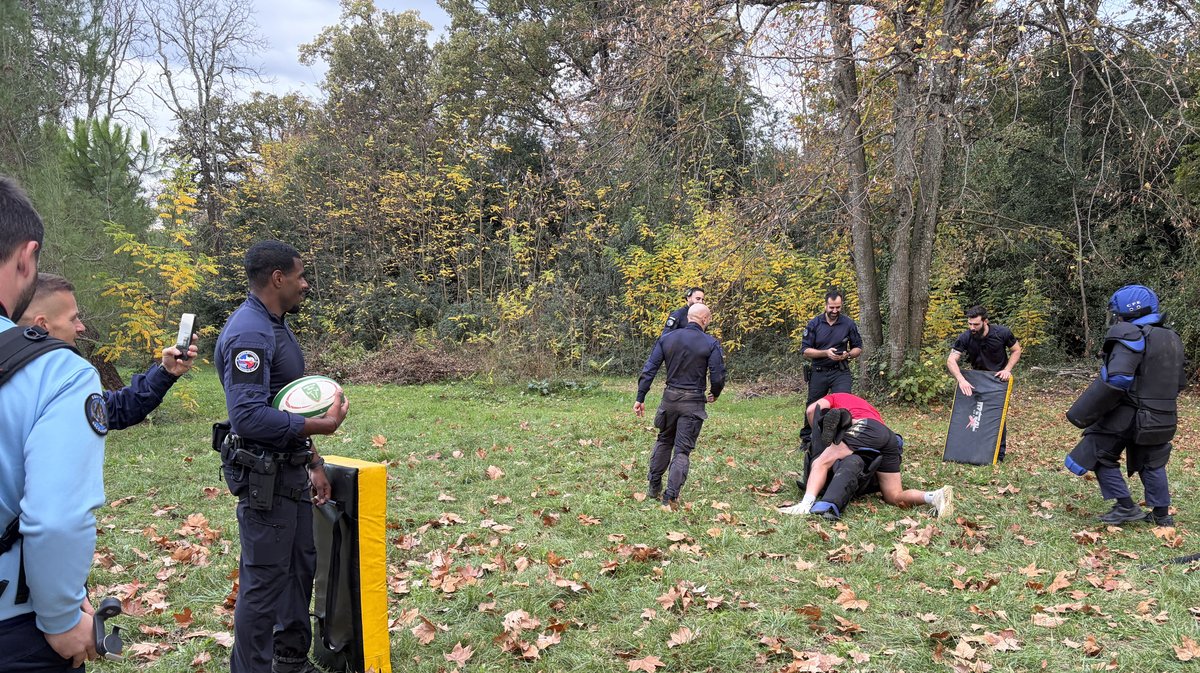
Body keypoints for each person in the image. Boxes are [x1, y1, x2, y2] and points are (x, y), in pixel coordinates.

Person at [214, 241, 349, 673]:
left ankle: (290, 660)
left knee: (297, 571)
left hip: (290, 473)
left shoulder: (276, 324)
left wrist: (312, 460)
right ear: (278, 278)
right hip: (263, 483)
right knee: (263, 584)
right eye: (300, 275)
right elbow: (249, 416)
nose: (305, 284)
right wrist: (319, 427)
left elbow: (286, 406)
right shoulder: (249, 333)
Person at [0, 176, 106, 671]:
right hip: (13, 626)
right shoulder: (56, 371)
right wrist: (63, 619)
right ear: (26, 257)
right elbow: (55, 517)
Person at [1064, 285, 1185, 526]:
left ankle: (1126, 507)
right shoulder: (1172, 337)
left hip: (1130, 414)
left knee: (1097, 453)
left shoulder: (1130, 334)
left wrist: (1090, 410)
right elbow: (1179, 383)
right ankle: (1161, 516)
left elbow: (1119, 378)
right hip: (1163, 416)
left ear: (1128, 312)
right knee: (1152, 462)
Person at [17, 273, 199, 430]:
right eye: (73, 319)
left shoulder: (58, 381)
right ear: (42, 325)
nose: (81, 327)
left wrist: (166, 372)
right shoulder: (29, 386)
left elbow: (113, 409)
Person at [779, 393, 954, 519]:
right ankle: (934, 497)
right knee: (893, 496)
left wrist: (818, 437)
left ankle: (805, 505)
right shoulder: (867, 406)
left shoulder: (834, 397)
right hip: (888, 436)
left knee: (821, 462)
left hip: (863, 426)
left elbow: (812, 410)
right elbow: (875, 433)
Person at [635, 303, 726, 510]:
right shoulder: (710, 343)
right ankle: (671, 496)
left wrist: (640, 397)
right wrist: (715, 391)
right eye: (709, 320)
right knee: (682, 451)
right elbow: (718, 374)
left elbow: (649, 369)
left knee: (664, 440)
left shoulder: (667, 338)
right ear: (705, 320)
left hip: (669, 399)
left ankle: (653, 485)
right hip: (693, 402)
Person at [946, 306, 1022, 460]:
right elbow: (951, 360)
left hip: (998, 380)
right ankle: (974, 450)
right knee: (975, 414)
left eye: (976, 324)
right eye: (970, 324)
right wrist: (961, 380)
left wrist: (1007, 369)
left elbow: (1016, 350)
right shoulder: (965, 337)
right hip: (977, 379)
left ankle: (998, 455)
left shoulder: (1002, 333)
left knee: (997, 416)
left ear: (985, 321)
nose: (972, 327)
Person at [799, 290, 863, 442]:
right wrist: (826, 353)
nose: (835, 311)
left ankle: (841, 438)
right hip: (819, 372)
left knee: (844, 404)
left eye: (838, 307)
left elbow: (858, 348)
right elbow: (805, 351)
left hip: (840, 371)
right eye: (832, 307)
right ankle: (808, 439)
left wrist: (847, 354)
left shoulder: (848, 323)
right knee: (814, 406)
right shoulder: (814, 324)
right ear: (825, 305)